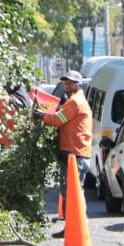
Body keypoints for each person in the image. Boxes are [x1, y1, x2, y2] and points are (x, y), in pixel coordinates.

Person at [48, 69, 93, 207]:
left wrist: (42, 116)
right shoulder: (76, 101)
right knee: (74, 191)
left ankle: (77, 226)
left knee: (73, 192)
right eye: (66, 83)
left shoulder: (75, 101)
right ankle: (73, 226)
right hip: (76, 152)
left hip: (75, 153)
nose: (67, 86)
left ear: (77, 84)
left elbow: (58, 120)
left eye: (70, 83)